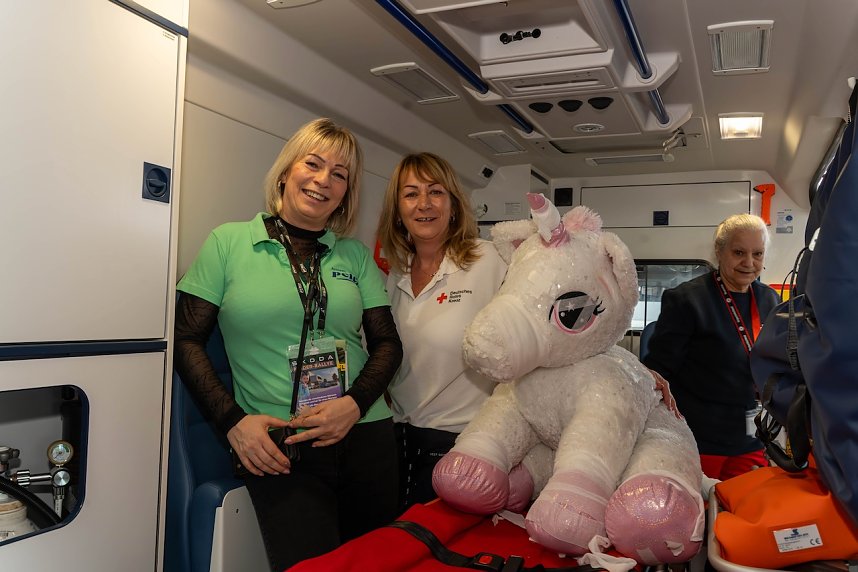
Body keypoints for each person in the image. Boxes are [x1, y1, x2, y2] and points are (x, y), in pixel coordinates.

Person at [174, 117, 403, 570]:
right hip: (282, 444)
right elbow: (186, 340)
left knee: (379, 565)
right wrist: (234, 423)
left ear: (346, 193)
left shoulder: (353, 255)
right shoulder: (228, 242)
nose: (324, 181)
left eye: (340, 175)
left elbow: (387, 344)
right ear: (286, 171)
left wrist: (354, 404)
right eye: (313, 164)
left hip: (365, 434)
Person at [377, 152, 507, 511]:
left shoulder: (489, 259)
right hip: (401, 439)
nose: (424, 204)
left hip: (466, 441)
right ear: (398, 211)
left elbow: (544, 327)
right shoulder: (394, 276)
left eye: (435, 192)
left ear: (453, 204)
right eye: (411, 194)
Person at [643, 213, 780, 481]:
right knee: (704, 511)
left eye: (758, 254)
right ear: (719, 251)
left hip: (752, 437)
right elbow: (658, 370)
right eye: (739, 252)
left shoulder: (770, 299)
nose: (749, 263)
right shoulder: (687, 299)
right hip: (701, 439)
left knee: (747, 508)